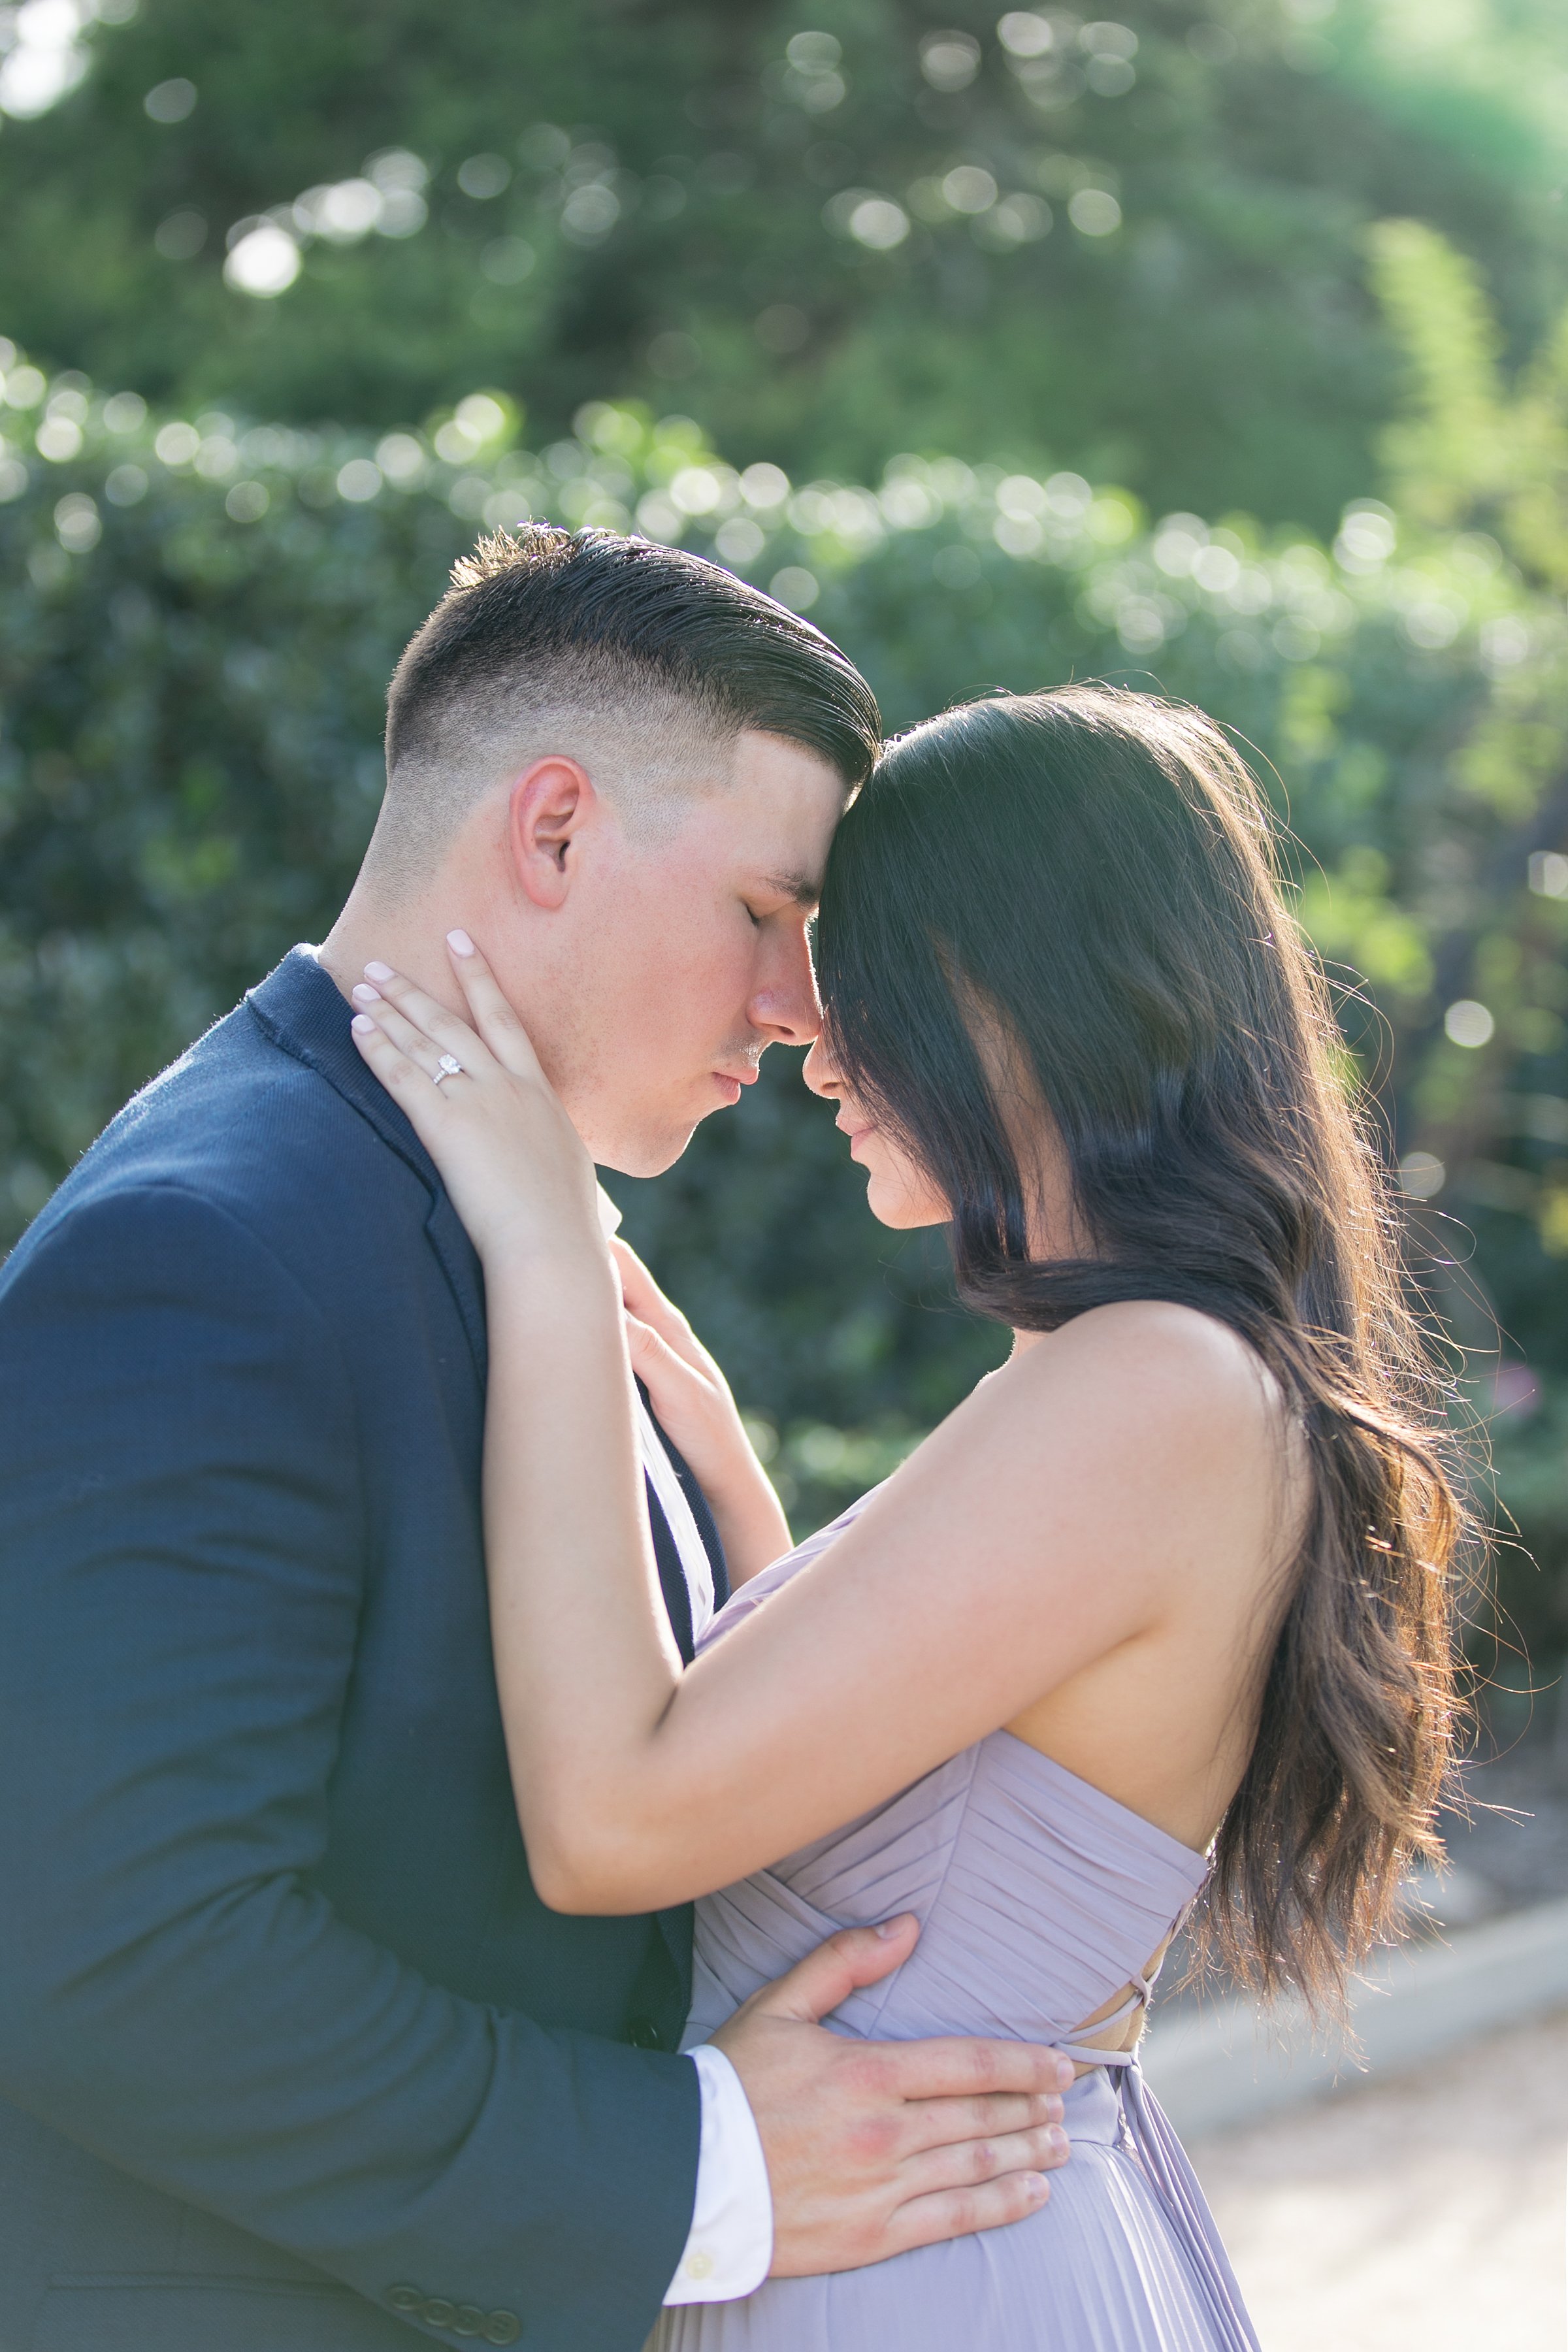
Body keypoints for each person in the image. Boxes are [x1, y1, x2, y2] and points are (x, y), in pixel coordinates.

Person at [0, 531, 1078, 2352]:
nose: (803, 1010)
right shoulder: (210, 1252)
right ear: (556, 828)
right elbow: (109, 1951)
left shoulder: (519, 1229)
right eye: (766, 914)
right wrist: (696, 2166)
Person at [348, 682, 1467, 2351]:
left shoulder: (1152, 1391)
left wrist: (538, 1253)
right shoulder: (1128, 1370)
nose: (810, 1034)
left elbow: (613, 1821)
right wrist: (741, 1513)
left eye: (854, 970)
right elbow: (930, 1797)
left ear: (1024, 992)